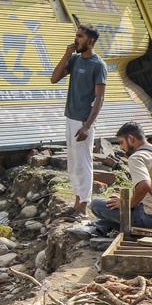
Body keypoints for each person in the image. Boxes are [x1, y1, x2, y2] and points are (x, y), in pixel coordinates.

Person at [74, 122, 152, 236]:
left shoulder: (137, 157)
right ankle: (99, 227)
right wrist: (123, 202)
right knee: (113, 205)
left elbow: (145, 185)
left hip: (151, 218)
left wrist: (128, 204)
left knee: (96, 204)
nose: (121, 147)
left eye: (121, 142)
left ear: (131, 139)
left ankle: (97, 227)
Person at [51, 24, 107, 219]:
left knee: (83, 163)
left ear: (90, 41)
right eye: (76, 36)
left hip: (83, 121)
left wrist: (87, 126)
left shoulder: (98, 65)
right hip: (70, 117)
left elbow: (99, 98)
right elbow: (54, 78)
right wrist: (66, 55)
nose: (76, 40)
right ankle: (76, 203)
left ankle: (83, 207)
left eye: (80, 36)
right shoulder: (75, 60)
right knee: (73, 164)